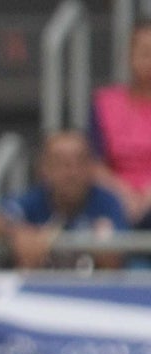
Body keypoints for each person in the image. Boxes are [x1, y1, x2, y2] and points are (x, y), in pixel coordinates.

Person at [0, 130, 128, 271]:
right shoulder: (34, 200)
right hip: (41, 298)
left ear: (92, 167)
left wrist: (96, 246)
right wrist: (18, 233)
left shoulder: (107, 202)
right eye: (61, 163)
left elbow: (115, 258)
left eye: (79, 162)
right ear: (44, 168)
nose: (71, 173)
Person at [91, 21, 151, 229]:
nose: (148, 61)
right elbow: (93, 162)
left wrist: (147, 197)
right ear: (128, 56)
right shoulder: (105, 102)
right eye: (144, 52)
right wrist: (124, 195)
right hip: (116, 198)